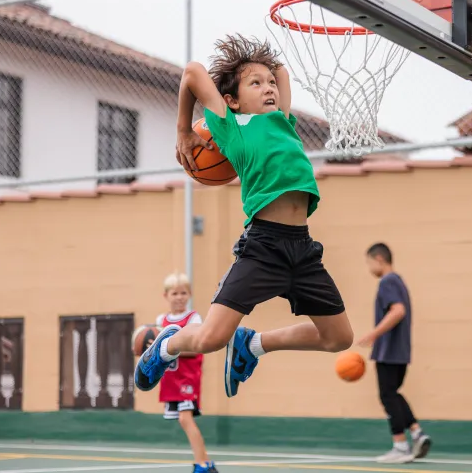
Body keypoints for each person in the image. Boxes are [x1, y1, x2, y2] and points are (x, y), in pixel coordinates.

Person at [134, 35, 353, 408]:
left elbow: (280, 70)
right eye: (256, 84)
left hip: (303, 251)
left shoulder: (281, 121)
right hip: (263, 247)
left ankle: (254, 344)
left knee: (338, 338)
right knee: (209, 339)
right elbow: (191, 73)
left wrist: (258, 66)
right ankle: (167, 343)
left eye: (270, 84)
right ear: (232, 100)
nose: (269, 87)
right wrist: (184, 131)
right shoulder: (231, 126)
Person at [358, 243, 431, 463]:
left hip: (388, 350)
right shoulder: (398, 281)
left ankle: (400, 446)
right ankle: (417, 433)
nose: (369, 268)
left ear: (379, 258)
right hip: (400, 351)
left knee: (387, 395)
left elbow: (398, 310)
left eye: (369, 262)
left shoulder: (388, 281)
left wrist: (374, 334)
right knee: (394, 393)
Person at [154, 272, 215, 473]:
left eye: (183, 293)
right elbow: (154, 351)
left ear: (189, 295)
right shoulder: (160, 321)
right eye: (175, 293)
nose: (179, 297)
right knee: (182, 420)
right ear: (166, 296)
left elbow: (197, 347)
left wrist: (170, 349)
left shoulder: (193, 318)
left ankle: (201, 465)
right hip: (171, 378)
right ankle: (207, 462)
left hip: (188, 376)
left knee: (184, 418)